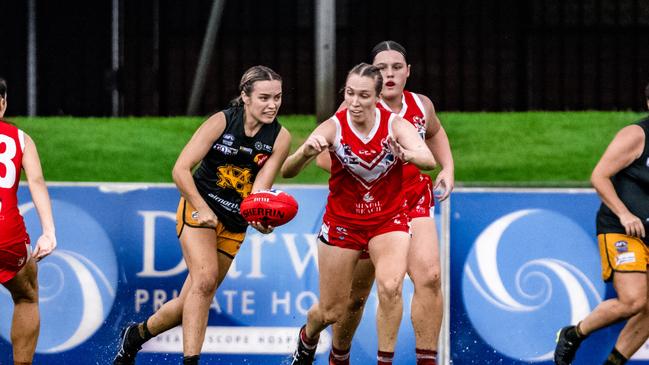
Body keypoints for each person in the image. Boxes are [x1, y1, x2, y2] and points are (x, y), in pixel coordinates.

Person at [113, 65, 291, 365]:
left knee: (190, 301)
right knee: (205, 281)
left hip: (235, 222)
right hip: (199, 207)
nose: (272, 104)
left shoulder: (280, 137)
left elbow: (260, 189)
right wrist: (204, 209)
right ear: (245, 96)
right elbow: (180, 170)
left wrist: (261, 217)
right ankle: (191, 361)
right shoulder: (221, 121)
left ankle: (135, 336)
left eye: (278, 97)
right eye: (264, 97)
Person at [282, 63, 436, 365]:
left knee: (391, 286)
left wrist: (407, 155)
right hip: (343, 224)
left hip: (388, 220)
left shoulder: (394, 125)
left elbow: (428, 159)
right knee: (332, 310)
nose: (354, 102)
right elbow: (287, 171)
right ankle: (307, 337)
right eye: (350, 93)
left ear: (377, 97)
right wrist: (305, 153)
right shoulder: (334, 126)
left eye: (363, 95)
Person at [316, 41, 454, 365]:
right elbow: (324, 157)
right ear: (373, 76)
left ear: (408, 72)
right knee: (354, 298)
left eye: (396, 67)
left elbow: (435, 133)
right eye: (381, 68)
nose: (389, 74)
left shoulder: (421, 105)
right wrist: (365, 175)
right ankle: (339, 356)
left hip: (413, 198)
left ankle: (427, 360)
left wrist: (447, 169)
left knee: (430, 277)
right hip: (370, 207)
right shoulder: (350, 112)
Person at [554, 83, 649, 365]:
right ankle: (574, 334)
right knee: (633, 301)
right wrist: (624, 214)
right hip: (622, 227)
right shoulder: (637, 135)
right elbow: (599, 176)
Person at [0, 77, 57, 365]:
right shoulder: (20, 139)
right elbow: (36, 183)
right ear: (3, 103)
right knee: (26, 295)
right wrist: (48, 232)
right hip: (5, 233)